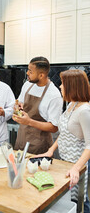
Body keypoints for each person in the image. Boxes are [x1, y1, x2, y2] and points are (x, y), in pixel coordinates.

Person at [32, 69, 90, 209]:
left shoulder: (84, 111)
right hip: (64, 163)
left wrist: (76, 168)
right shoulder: (71, 105)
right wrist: (50, 151)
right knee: (66, 200)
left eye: (63, 83)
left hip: (76, 165)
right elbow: (64, 133)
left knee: (78, 202)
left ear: (72, 86)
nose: (60, 86)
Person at [13, 56, 63, 154]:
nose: (27, 73)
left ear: (41, 75)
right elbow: (19, 102)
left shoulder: (54, 95)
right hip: (21, 139)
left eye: (31, 72)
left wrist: (29, 121)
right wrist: (17, 107)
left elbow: (54, 127)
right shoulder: (28, 84)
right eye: (28, 70)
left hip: (39, 145)